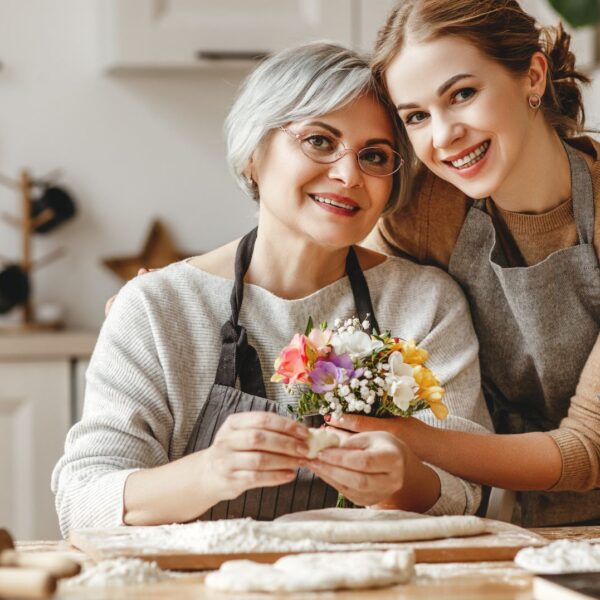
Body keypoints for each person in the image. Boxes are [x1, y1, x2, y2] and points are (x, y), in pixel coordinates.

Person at [51, 42, 492, 537]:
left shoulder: (426, 305)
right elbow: (83, 502)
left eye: (374, 155)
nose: (349, 175)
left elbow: (470, 492)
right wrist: (211, 472)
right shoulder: (157, 308)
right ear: (253, 156)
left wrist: (402, 482)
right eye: (320, 141)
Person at [327, 0, 600, 527]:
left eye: (463, 94)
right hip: (515, 526)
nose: (444, 134)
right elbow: (327, 274)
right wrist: (188, 287)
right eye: (416, 116)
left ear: (533, 77)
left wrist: (409, 438)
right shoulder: (428, 211)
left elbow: (587, 448)